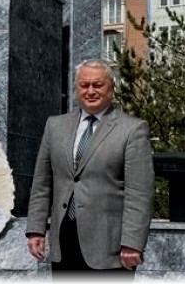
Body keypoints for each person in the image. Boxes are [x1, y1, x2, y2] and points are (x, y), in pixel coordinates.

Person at [25, 59, 154, 279]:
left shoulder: (132, 130)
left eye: (98, 85)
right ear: (76, 89)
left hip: (110, 247)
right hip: (64, 239)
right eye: (84, 85)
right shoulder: (55, 126)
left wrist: (132, 243)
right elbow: (42, 183)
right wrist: (36, 229)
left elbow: (140, 193)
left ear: (111, 88)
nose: (91, 91)